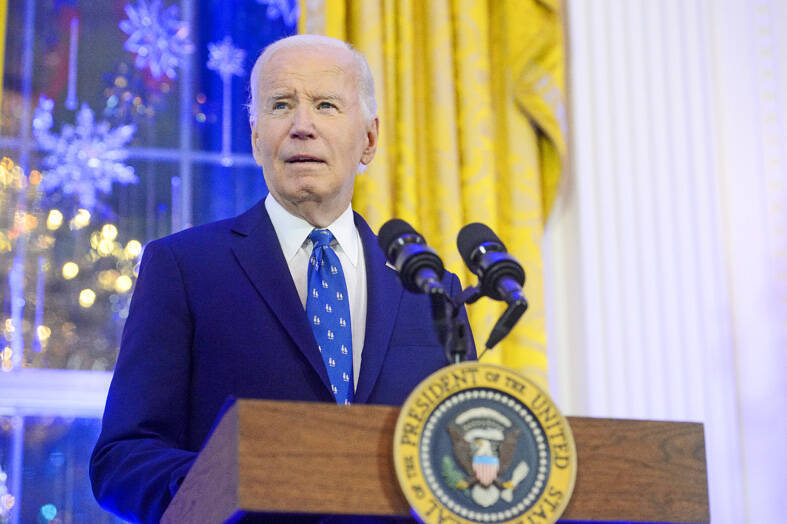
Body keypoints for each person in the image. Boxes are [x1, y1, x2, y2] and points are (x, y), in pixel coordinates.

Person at [89, 34, 474, 523]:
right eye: (280, 105)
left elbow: (462, 458)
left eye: (327, 105)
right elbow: (122, 460)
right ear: (255, 137)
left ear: (369, 139)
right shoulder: (183, 268)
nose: (302, 126)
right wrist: (228, 485)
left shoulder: (429, 289)